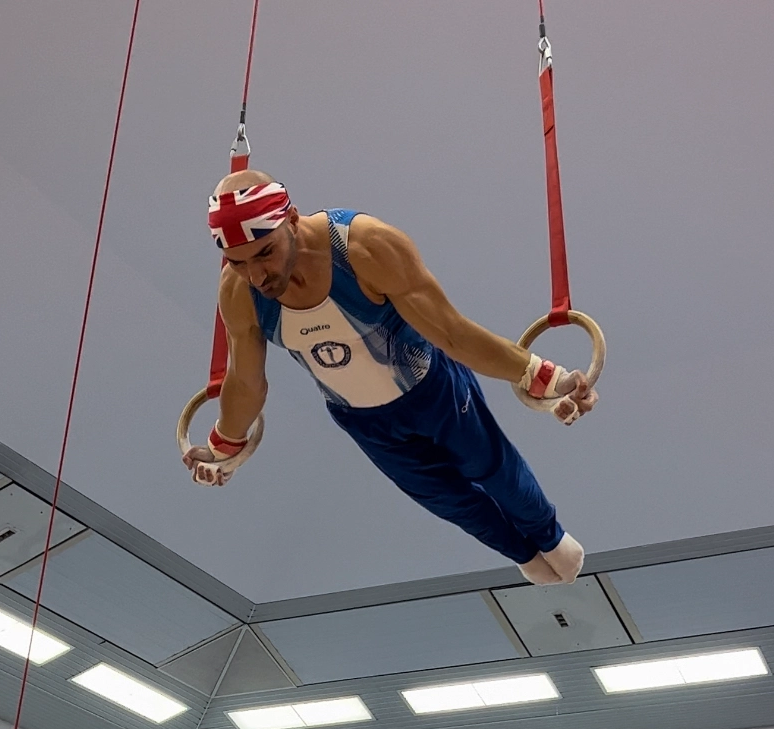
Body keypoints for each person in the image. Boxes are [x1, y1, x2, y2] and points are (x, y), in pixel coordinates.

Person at [182, 170, 598, 585]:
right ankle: (523, 552)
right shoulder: (238, 293)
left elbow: (452, 332)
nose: (256, 276)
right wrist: (224, 444)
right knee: (448, 501)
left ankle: (549, 535)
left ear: (291, 219)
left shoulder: (364, 246)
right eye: (238, 263)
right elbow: (247, 381)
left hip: (430, 390)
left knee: (490, 468)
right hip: (360, 419)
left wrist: (542, 374)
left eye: (265, 253)